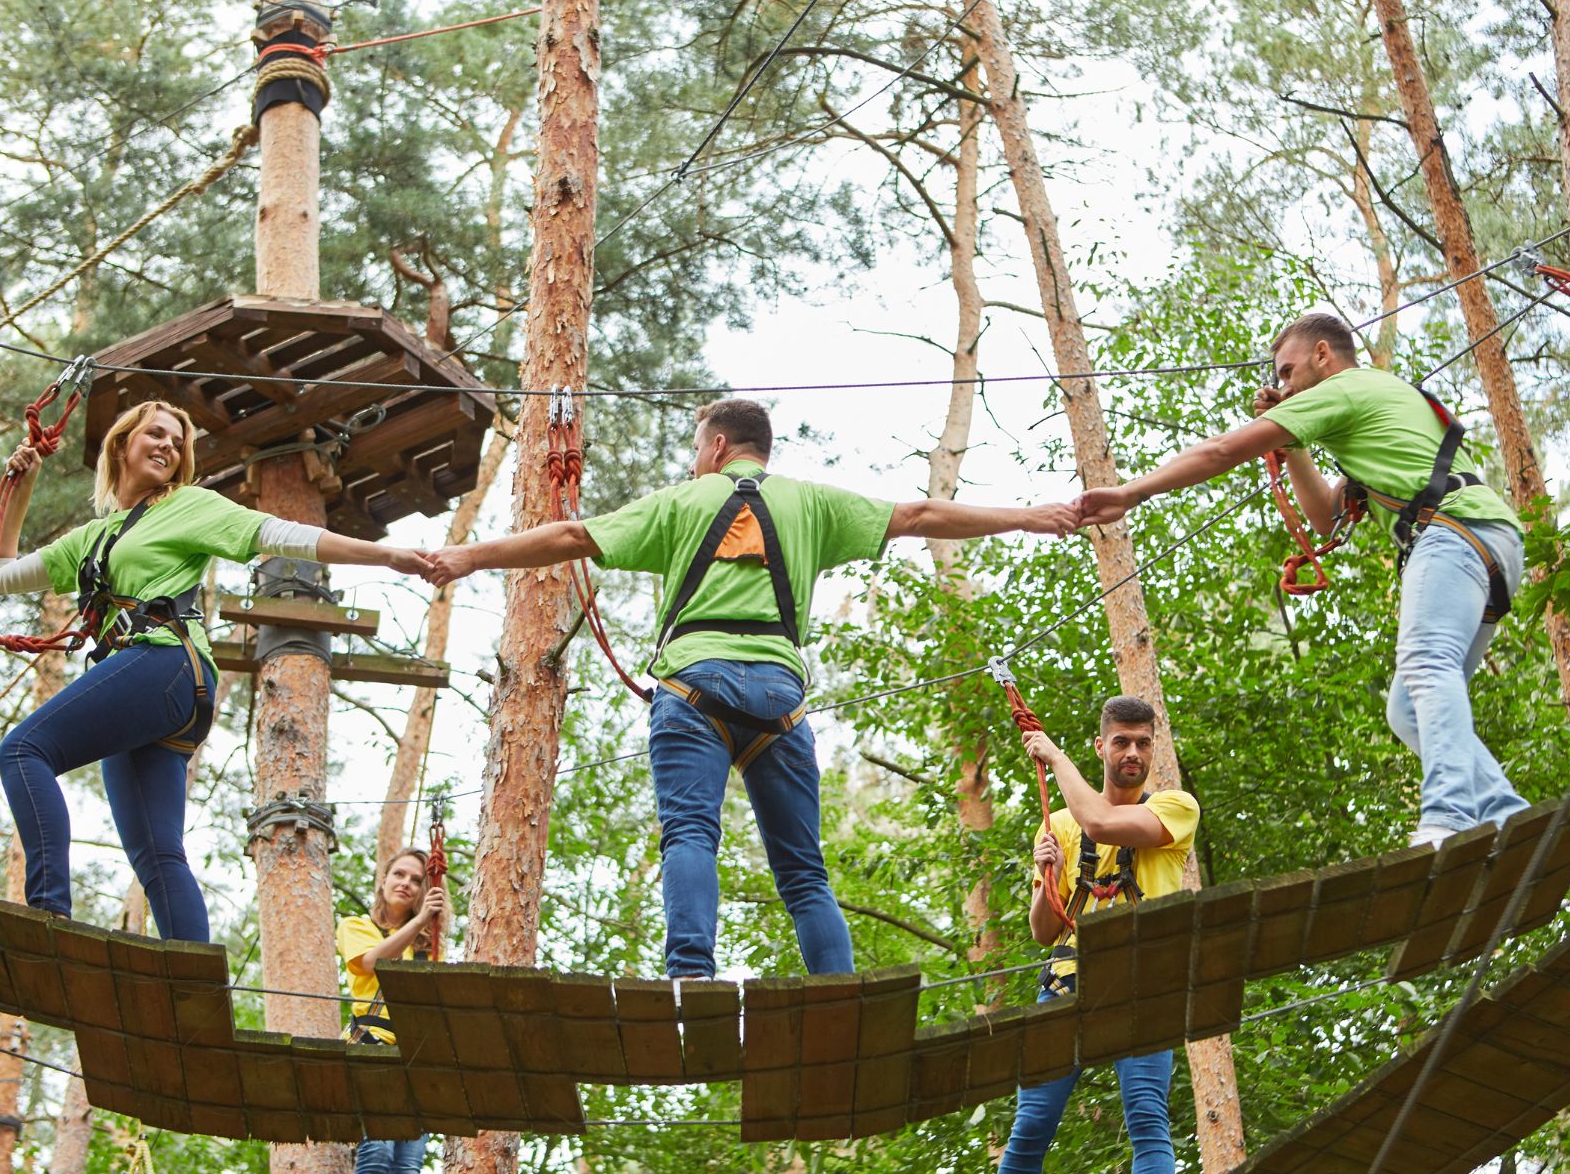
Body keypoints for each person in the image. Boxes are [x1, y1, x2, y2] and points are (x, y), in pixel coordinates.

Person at [420, 397, 1078, 979]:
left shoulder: (682, 501)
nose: (693, 464)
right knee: (802, 871)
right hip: (778, 697)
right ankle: (839, 993)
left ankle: (691, 980)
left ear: (716, 445)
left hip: (693, 685)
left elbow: (569, 535)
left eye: (695, 450)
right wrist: (1026, 516)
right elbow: (920, 513)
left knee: (689, 836)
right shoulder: (813, 502)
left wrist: (468, 557)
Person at [1073, 314, 1525, 847]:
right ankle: (1504, 811)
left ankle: (1449, 815)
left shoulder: (1346, 386)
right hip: (1484, 542)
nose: (1283, 386)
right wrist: (1297, 449)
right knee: (1407, 708)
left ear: (1323, 356)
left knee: (1427, 664)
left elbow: (1222, 451)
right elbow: (1324, 518)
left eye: (1288, 372)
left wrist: (1132, 492)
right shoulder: (1374, 403)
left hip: (1455, 534)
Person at [0, 398, 428, 943]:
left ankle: (48, 915)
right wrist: (22, 488)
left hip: (163, 664)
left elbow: (278, 534)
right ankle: (194, 990)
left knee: (23, 750)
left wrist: (383, 556)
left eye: (177, 443)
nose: (169, 447)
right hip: (156, 687)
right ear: (122, 445)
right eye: (156, 434)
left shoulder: (186, 505)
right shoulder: (90, 540)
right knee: (157, 853)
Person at [972, 696, 1200, 1174]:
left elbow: (1103, 825)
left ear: (1152, 751)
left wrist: (1053, 754)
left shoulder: (1176, 809)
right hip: (1067, 981)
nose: (1132, 753)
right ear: (1103, 748)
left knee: (1147, 1117)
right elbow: (1044, 932)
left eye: (1142, 743)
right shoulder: (1061, 826)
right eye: (1121, 742)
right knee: (1029, 1129)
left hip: (1140, 985)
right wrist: (1047, 873)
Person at [338, 845, 448, 1174]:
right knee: (377, 1153)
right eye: (399, 875)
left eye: (417, 880)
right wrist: (421, 921)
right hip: (371, 1048)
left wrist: (427, 928)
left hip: (414, 1059)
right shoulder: (356, 926)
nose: (406, 883)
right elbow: (371, 962)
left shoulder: (427, 948)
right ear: (383, 882)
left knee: (407, 1169)